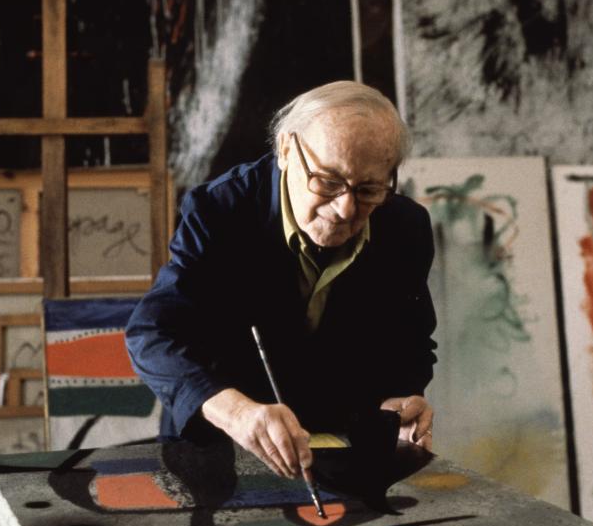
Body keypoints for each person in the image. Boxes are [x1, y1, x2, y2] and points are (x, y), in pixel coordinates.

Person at [125, 81, 436, 479]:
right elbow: (153, 335)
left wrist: (403, 397)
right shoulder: (220, 210)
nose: (345, 209)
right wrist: (238, 412)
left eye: (369, 189)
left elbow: (411, 343)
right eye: (328, 182)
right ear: (286, 149)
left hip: (343, 451)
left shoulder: (405, 226)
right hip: (221, 448)